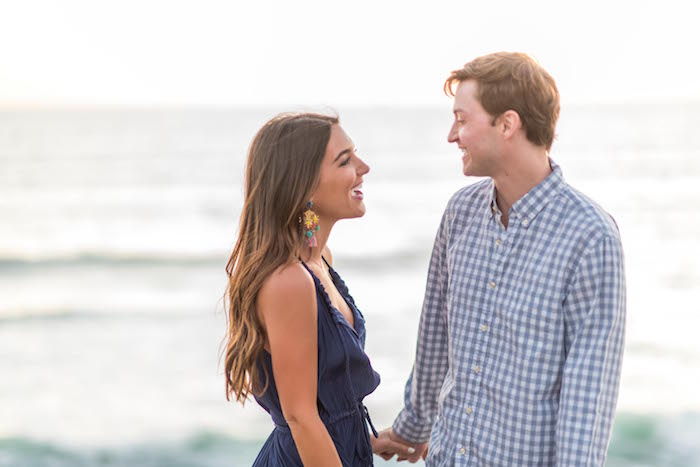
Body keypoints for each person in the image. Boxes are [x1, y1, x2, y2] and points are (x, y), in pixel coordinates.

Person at [377, 52, 626, 465]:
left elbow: (588, 394)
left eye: (462, 119)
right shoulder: (460, 213)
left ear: (507, 124)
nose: (451, 135)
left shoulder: (590, 236)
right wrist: (412, 427)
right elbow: (435, 337)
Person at [222, 112, 414, 466]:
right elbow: (300, 418)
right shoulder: (289, 281)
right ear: (304, 184)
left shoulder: (320, 259)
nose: (363, 167)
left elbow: (323, 401)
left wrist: (367, 439)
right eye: (345, 160)